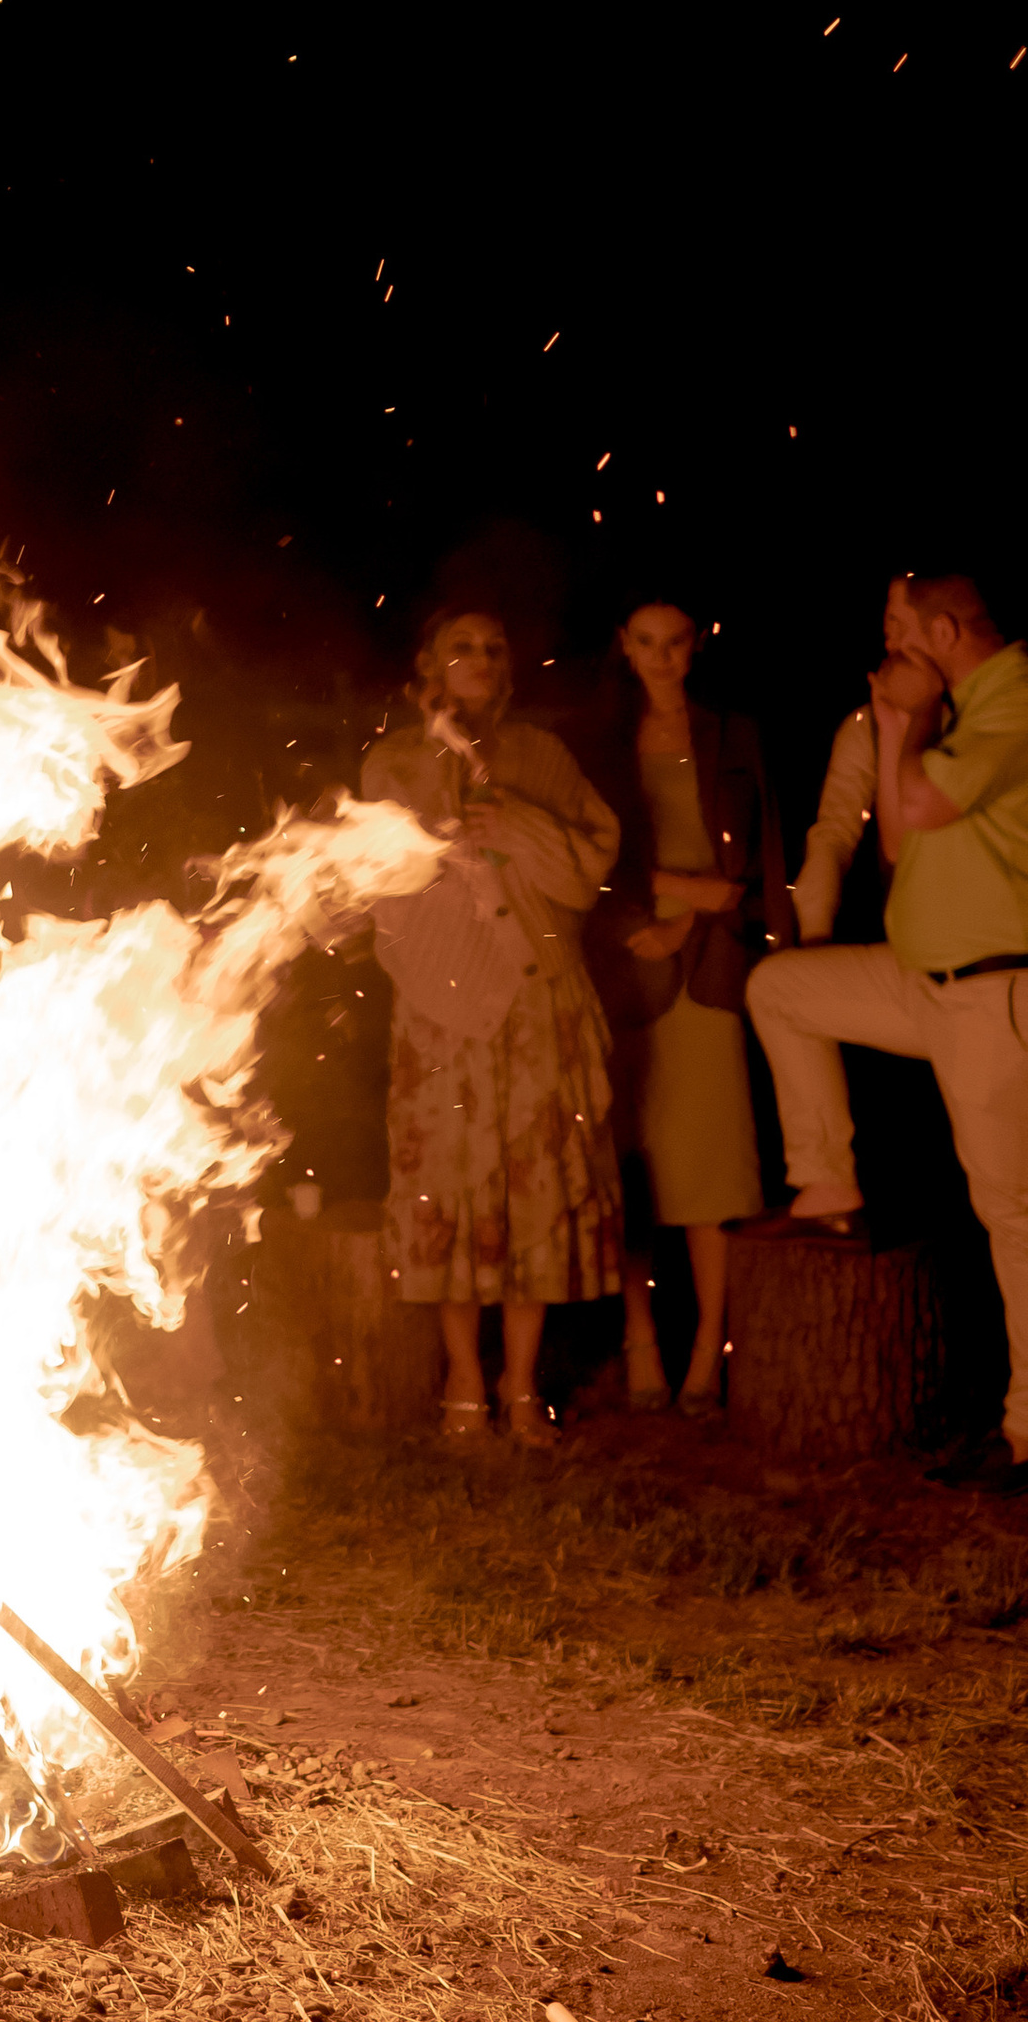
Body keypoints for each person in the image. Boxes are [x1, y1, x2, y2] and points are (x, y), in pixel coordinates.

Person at [747, 568, 1028, 1478]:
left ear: (943, 631)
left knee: (1013, 1212)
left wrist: (907, 722)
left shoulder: (1012, 698)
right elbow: (894, 841)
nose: (888, 648)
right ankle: (825, 1189)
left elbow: (916, 809)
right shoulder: (919, 715)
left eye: (902, 630)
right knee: (784, 988)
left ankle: (1025, 1432)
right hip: (925, 979)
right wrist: (902, 722)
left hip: (993, 988)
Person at [360, 607, 623, 1443]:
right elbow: (375, 880)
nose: (479, 658)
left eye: (494, 646)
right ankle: (464, 1383)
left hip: (537, 1003)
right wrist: (441, 852)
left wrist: (517, 826)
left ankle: (520, 1382)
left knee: (534, 1193)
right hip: (442, 1011)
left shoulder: (543, 757)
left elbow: (588, 870)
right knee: (449, 1189)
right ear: (429, 665)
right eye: (461, 646)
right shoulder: (394, 761)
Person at [581, 598, 793, 1415]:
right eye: (646, 642)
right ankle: (642, 1340)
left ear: (696, 645)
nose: (663, 656)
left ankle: (709, 1350)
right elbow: (596, 857)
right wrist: (661, 903)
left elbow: (762, 854)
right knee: (636, 1165)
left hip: (712, 967)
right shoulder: (603, 743)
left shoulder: (734, 732)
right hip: (633, 966)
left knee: (712, 1167)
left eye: (676, 642)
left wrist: (729, 922)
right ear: (623, 647)